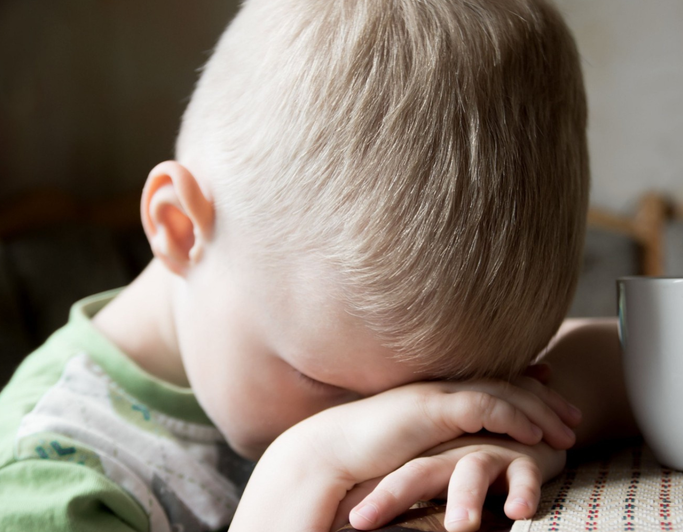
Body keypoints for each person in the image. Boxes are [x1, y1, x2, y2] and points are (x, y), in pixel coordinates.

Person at [0, 0, 638, 531]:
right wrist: (302, 467)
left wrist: (517, 421)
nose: (388, 426)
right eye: (327, 385)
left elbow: (638, 358)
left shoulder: (332, 337)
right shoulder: (51, 482)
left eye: (438, 393)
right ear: (179, 227)